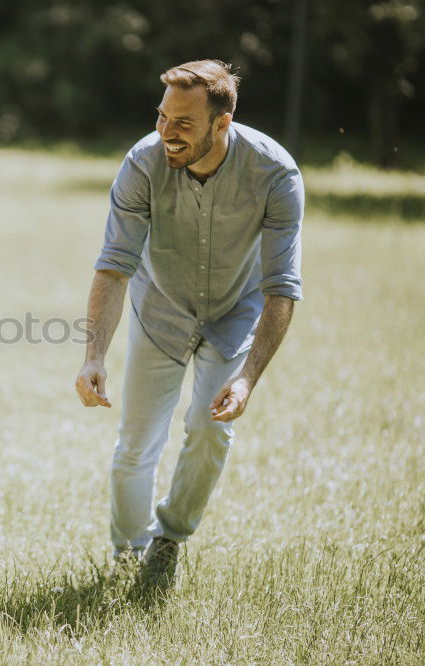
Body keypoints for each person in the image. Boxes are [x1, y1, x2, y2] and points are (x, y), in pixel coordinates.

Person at [74, 60, 303, 585]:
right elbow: (114, 264)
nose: (166, 133)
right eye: (162, 117)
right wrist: (93, 356)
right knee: (136, 442)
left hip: (234, 312)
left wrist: (246, 377)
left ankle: (169, 540)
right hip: (160, 310)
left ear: (222, 124)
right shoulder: (142, 164)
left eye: (183, 123)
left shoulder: (275, 174)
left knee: (210, 428)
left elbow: (282, 288)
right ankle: (127, 557)